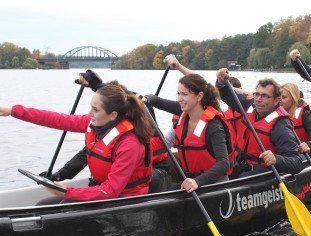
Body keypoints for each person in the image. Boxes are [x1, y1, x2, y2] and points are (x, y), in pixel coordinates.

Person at [0, 84, 153, 203]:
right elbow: (56, 119)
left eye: (95, 110)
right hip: (100, 191)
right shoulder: (94, 122)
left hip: (124, 199)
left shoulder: (129, 143)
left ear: (113, 115)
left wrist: (68, 192)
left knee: (61, 207)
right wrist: (13, 111)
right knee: (43, 205)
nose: (89, 114)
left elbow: (111, 190)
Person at [40, 71, 170, 194]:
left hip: (153, 174)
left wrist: (95, 85)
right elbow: (87, 153)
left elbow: (129, 96)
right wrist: (59, 175)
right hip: (119, 180)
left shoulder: (142, 115)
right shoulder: (109, 125)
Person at [142, 73, 236, 193]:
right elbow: (157, 101)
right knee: (162, 196)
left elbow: (224, 164)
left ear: (199, 96)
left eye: (184, 94)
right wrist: (146, 99)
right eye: (178, 94)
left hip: (213, 183)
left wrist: (198, 181)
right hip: (191, 180)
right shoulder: (184, 111)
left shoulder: (213, 126)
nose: (179, 99)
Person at [216, 69, 303, 178]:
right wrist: (221, 82)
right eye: (256, 94)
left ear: (277, 100)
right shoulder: (250, 104)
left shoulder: (280, 124)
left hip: (262, 171)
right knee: (216, 172)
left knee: (241, 177)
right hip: (241, 164)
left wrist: (277, 159)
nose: (258, 99)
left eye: (265, 96)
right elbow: (227, 95)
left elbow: (296, 163)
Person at [280, 82, 311, 157]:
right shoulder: (272, 113)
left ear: (294, 98)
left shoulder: (305, 115)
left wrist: (309, 146)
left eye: (284, 97)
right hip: (281, 155)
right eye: (278, 97)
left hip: (300, 155)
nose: (279, 101)